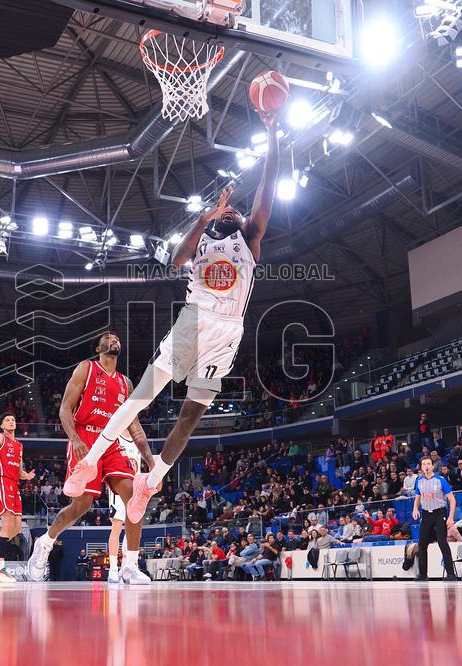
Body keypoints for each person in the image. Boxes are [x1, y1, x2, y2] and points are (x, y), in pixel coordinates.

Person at [64, 109, 283, 524]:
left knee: (191, 415)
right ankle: (89, 462)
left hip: (227, 334)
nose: (232, 212)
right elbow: (176, 258)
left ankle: (153, 480)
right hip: (193, 320)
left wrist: (272, 132)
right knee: (142, 395)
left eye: (235, 212)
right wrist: (202, 221)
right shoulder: (200, 245)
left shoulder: (250, 239)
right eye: (226, 212)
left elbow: (267, 189)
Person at [28, 332, 155, 585]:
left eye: (118, 337)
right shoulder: (85, 369)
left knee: (133, 496)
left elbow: (135, 427)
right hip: (85, 437)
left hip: (113, 442)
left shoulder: (125, 383)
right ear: (99, 347)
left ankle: (130, 564)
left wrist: (152, 462)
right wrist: (74, 439)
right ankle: (46, 542)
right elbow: (65, 408)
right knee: (81, 506)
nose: (115, 339)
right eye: (108, 337)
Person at [0, 414, 35, 583]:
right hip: (1, 481)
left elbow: (19, 472)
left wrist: (27, 476)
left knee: (16, 528)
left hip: (14, 484)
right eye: (7, 420)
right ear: (2, 425)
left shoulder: (19, 445)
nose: (11, 421)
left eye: (13, 419)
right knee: (7, 523)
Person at [411, 457, 457, 580]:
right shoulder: (419, 481)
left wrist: (451, 517)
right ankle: (423, 574)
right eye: (424, 464)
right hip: (426, 515)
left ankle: (451, 574)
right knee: (422, 544)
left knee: (442, 542)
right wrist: (415, 508)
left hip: (439, 513)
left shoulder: (440, 480)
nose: (426, 466)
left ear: (432, 466)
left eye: (429, 464)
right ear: (421, 467)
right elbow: (418, 497)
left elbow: (452, 500)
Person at [107, 435, 143, 584]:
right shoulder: (115, 437)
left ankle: (127, 566)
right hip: (118, 486)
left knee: (133, 525)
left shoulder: (137, 440)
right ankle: (113, 568)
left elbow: (138, 468)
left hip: (135, 488)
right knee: (117, 526)